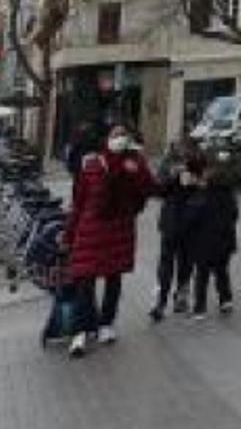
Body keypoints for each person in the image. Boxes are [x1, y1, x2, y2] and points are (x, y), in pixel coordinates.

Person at [64, 124, 159, 357]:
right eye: (114, 135)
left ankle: (106, 324)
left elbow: (150, 190)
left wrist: (136, 169)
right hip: (90, 232)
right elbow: (78, 203)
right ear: (106, 139)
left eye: (122, 135)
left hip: (118, 233)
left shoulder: (134, 163)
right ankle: (80, 332)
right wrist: (68, 234)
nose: (118, 138)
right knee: (84, 283)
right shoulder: (92, 164)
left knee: (113, 279)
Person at [149, 139, 204, 321]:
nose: (183, 155)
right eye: (180, 152)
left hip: (192, 219)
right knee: (166, 262)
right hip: (171, 219)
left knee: (186, 260)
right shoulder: (168, 162)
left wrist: (196, 181)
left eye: (186, 151)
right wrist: (172, 176)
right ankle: (160, 302)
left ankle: (181, 295)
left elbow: (209, 185)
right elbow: (157, 189)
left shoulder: (199, 160)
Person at [184, 159, 239, 320]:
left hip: (204, 244)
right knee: (222, 272)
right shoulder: (228, 194)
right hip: (225, 243)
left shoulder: (202, 196)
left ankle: (200, 308)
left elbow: (190, 218)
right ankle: (226, 300)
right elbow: (234, 216)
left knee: (202, 275)